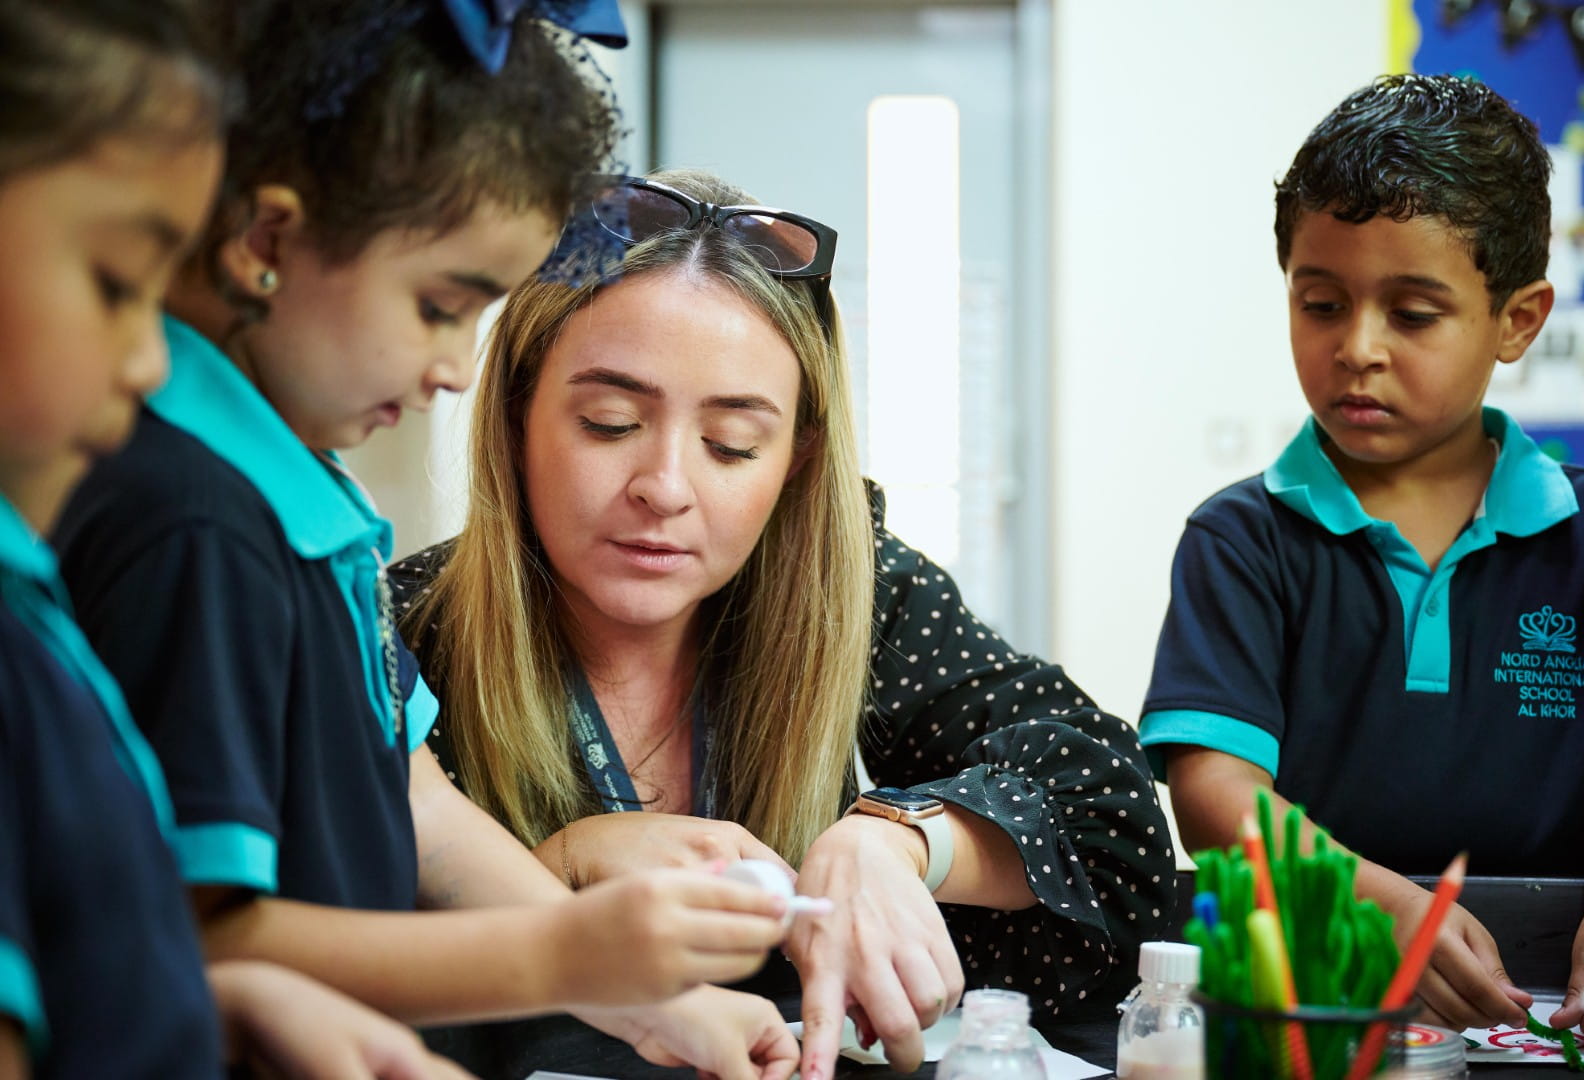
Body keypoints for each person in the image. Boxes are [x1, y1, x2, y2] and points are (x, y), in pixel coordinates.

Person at [51, 6, 796, 1077]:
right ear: (267, 243)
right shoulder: (198, 529)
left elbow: (423, 810)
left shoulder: (309, 501)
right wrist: (566, 952)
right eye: (442, 306)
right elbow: (197, 941)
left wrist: (649, 1003)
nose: (454, 368)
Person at [390, 168, 1177, 1080]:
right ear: (517, 413)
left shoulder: (855, 590)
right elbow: (321, 953)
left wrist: (901, 841)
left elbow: (1112, 815)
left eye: (732, 445)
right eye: (609, 423)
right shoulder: (401, 629)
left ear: (797, 457)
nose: (665, 488)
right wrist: (559, 869)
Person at [0, 2, 477, 1077]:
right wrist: (575, 955)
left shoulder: (38, 608)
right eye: (118, 286)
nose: (147, 361)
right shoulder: (193, 527)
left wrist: (225, 1007)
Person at [1139, 73, 1584, 1034]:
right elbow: (1215, 793)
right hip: (1306, 995)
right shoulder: (1241, 539)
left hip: (1547, 998)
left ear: (1517, 320)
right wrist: (1381, 903)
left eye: (1412, 314)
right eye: (1321, 304)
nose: (1358, 347)